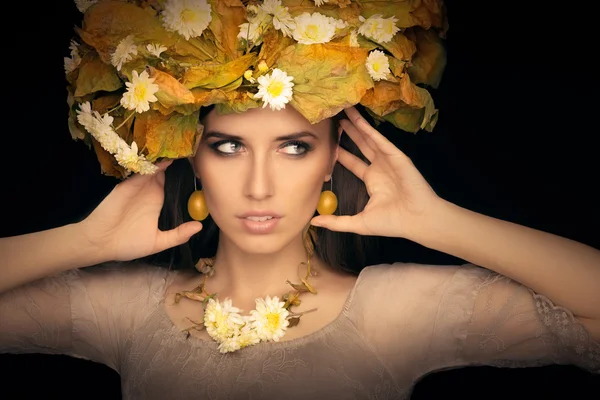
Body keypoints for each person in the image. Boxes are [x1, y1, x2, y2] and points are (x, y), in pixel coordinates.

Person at [1, 0, 599, 399]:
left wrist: (437, 221)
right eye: (230, 147)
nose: (259, 186)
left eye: (293, 148)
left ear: (335, 155)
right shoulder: (128, 311)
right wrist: (83, 241)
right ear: (191, 156)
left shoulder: (395, 313)